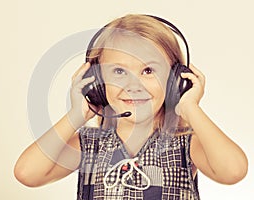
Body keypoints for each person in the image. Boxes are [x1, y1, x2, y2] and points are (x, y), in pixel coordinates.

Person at [14, 14, 248, 199]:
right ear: (96, 81)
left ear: (175, 79)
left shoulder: (186, 145)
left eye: (148, 71)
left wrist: (189, 107)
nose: (133, 85)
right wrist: (77, 114)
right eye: (118, 72)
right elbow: (27, 173)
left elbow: (233, 170)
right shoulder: (89, 146)